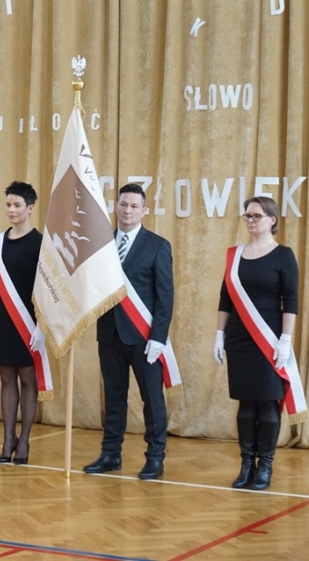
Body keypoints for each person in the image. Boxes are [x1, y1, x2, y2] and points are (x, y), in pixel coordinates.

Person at [83, 183, 174, 480]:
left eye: (134, 206)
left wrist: (158, 337)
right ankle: (111, 453)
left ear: (144, 210)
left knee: (152, 400)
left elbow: (165, 297)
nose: (128, 210)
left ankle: (155, 457)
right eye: (123, 204)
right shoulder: (102, 244)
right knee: (114, 397)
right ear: (116, 207)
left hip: (144, 338)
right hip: (110, 334)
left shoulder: (157, 245)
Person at [213, 196, 299, 491]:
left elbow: (291, 301)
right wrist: (219, 334)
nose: (250, 220)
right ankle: (246, 464)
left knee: (267, 401)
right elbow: (225, 298)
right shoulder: (235, 255)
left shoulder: (283, 255)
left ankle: (265, 466)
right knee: (246, 402)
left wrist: (285, 339)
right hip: (238, 339)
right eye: (247, 216)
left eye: (256, 216)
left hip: (269, 339)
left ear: (272, 220)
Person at [0, 181, 44, 465]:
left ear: (30, 208)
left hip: (29, 321)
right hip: (2, 319)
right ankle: (8, 439)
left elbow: (47, 289)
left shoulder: (41, 243)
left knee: (28, 378)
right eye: (8, 205)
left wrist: (43, 325)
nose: (12, 210)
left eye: (17, 205)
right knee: (6, 378)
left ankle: (25, 439)